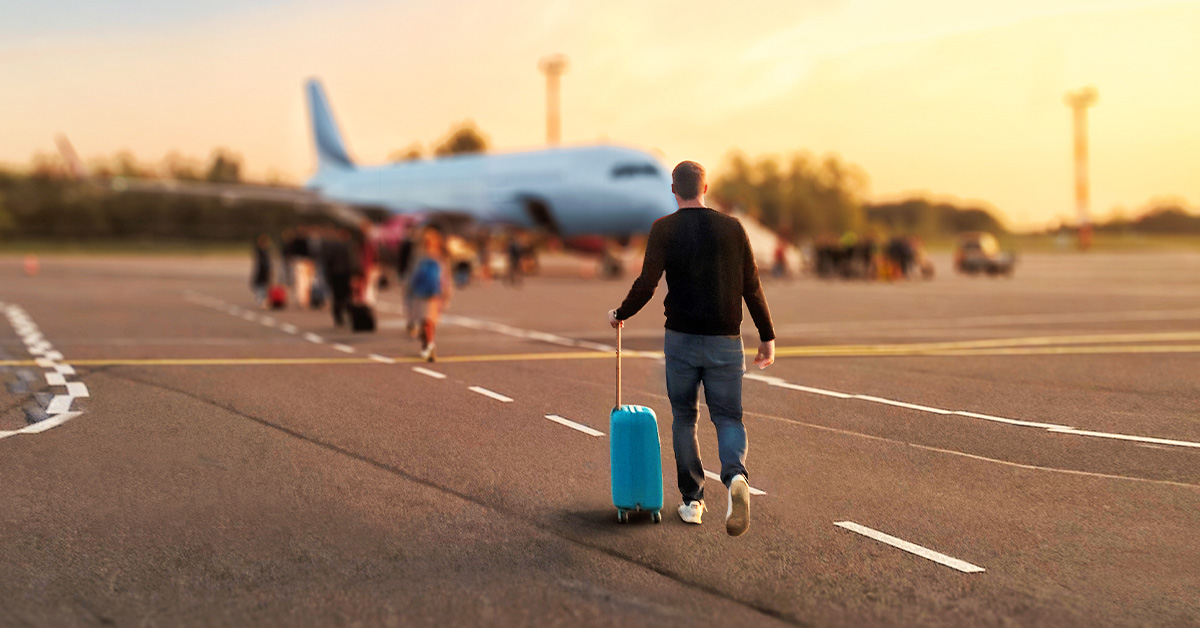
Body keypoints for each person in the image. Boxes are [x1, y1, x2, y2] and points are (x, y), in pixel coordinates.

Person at [607, 160, 775, 537]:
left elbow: (647, 283)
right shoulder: (733, 228)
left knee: (685, 418)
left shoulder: (663, 229)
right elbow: (752, 286)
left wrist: (621, 313)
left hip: (681, 339)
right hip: (726, 341)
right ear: (706, 187)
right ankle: (735, 477)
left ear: (673, 189)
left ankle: (693, 501)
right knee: (729, 418)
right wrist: (767, 336)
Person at [409, 227, 452, 362]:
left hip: (430, 292)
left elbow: (445, 277)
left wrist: (447, 292)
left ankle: (429, 345)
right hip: (425, 292)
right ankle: (427, 345)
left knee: (428, 321)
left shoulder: (436, 257)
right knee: (426, 322)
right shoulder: (423, 256)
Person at [251, 234, 273, 307]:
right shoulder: (261, 251)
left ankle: (262, 298)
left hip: (262, 270)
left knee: (263, 285)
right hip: (262, 270)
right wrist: (267, 269)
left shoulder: (263, 250)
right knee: (262, 284)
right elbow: (264, 262)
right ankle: (261, 299)